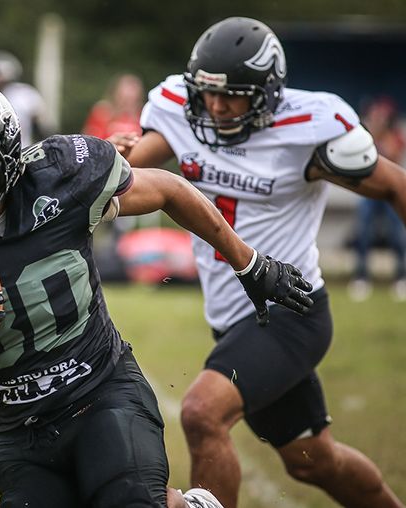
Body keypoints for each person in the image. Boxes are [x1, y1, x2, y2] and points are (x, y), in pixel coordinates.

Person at [0, 78, 314, 507]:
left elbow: (169, 189)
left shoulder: (59, 178)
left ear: (3, 157)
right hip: (17, 427)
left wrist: (250, 264)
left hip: (102, 390)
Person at [115, 17, 406, 508]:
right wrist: (115, 161)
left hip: (291, 309)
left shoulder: (308, 129)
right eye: (208, 94)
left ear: (268, 94)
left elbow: (396, 185)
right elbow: (133, 173)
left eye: (233, 96)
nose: (217, 105)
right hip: (232, 321)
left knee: (202, 413)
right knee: (313, 459)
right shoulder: (181, 112)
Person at [348, 96, 406, 301]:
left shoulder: (396, 135)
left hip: (390, 193)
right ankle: (361, 277)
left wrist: (382, 133)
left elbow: (392, 155)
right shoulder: (367, 133)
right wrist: (373, 129)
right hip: (370, 192)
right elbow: (363, 154)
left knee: (397, 235)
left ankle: (401, 277)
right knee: (363, 232)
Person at [0, 50, 55, 147]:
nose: (0, 80)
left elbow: (42, 127)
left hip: (22, 150)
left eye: (3, 79)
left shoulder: (25, 94)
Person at [82, 73, 145, 140]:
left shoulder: (143, 115)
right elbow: (91, 141)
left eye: (132, 98)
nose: (128, 104)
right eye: (125, 99)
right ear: (116, 94)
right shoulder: (103, 112)